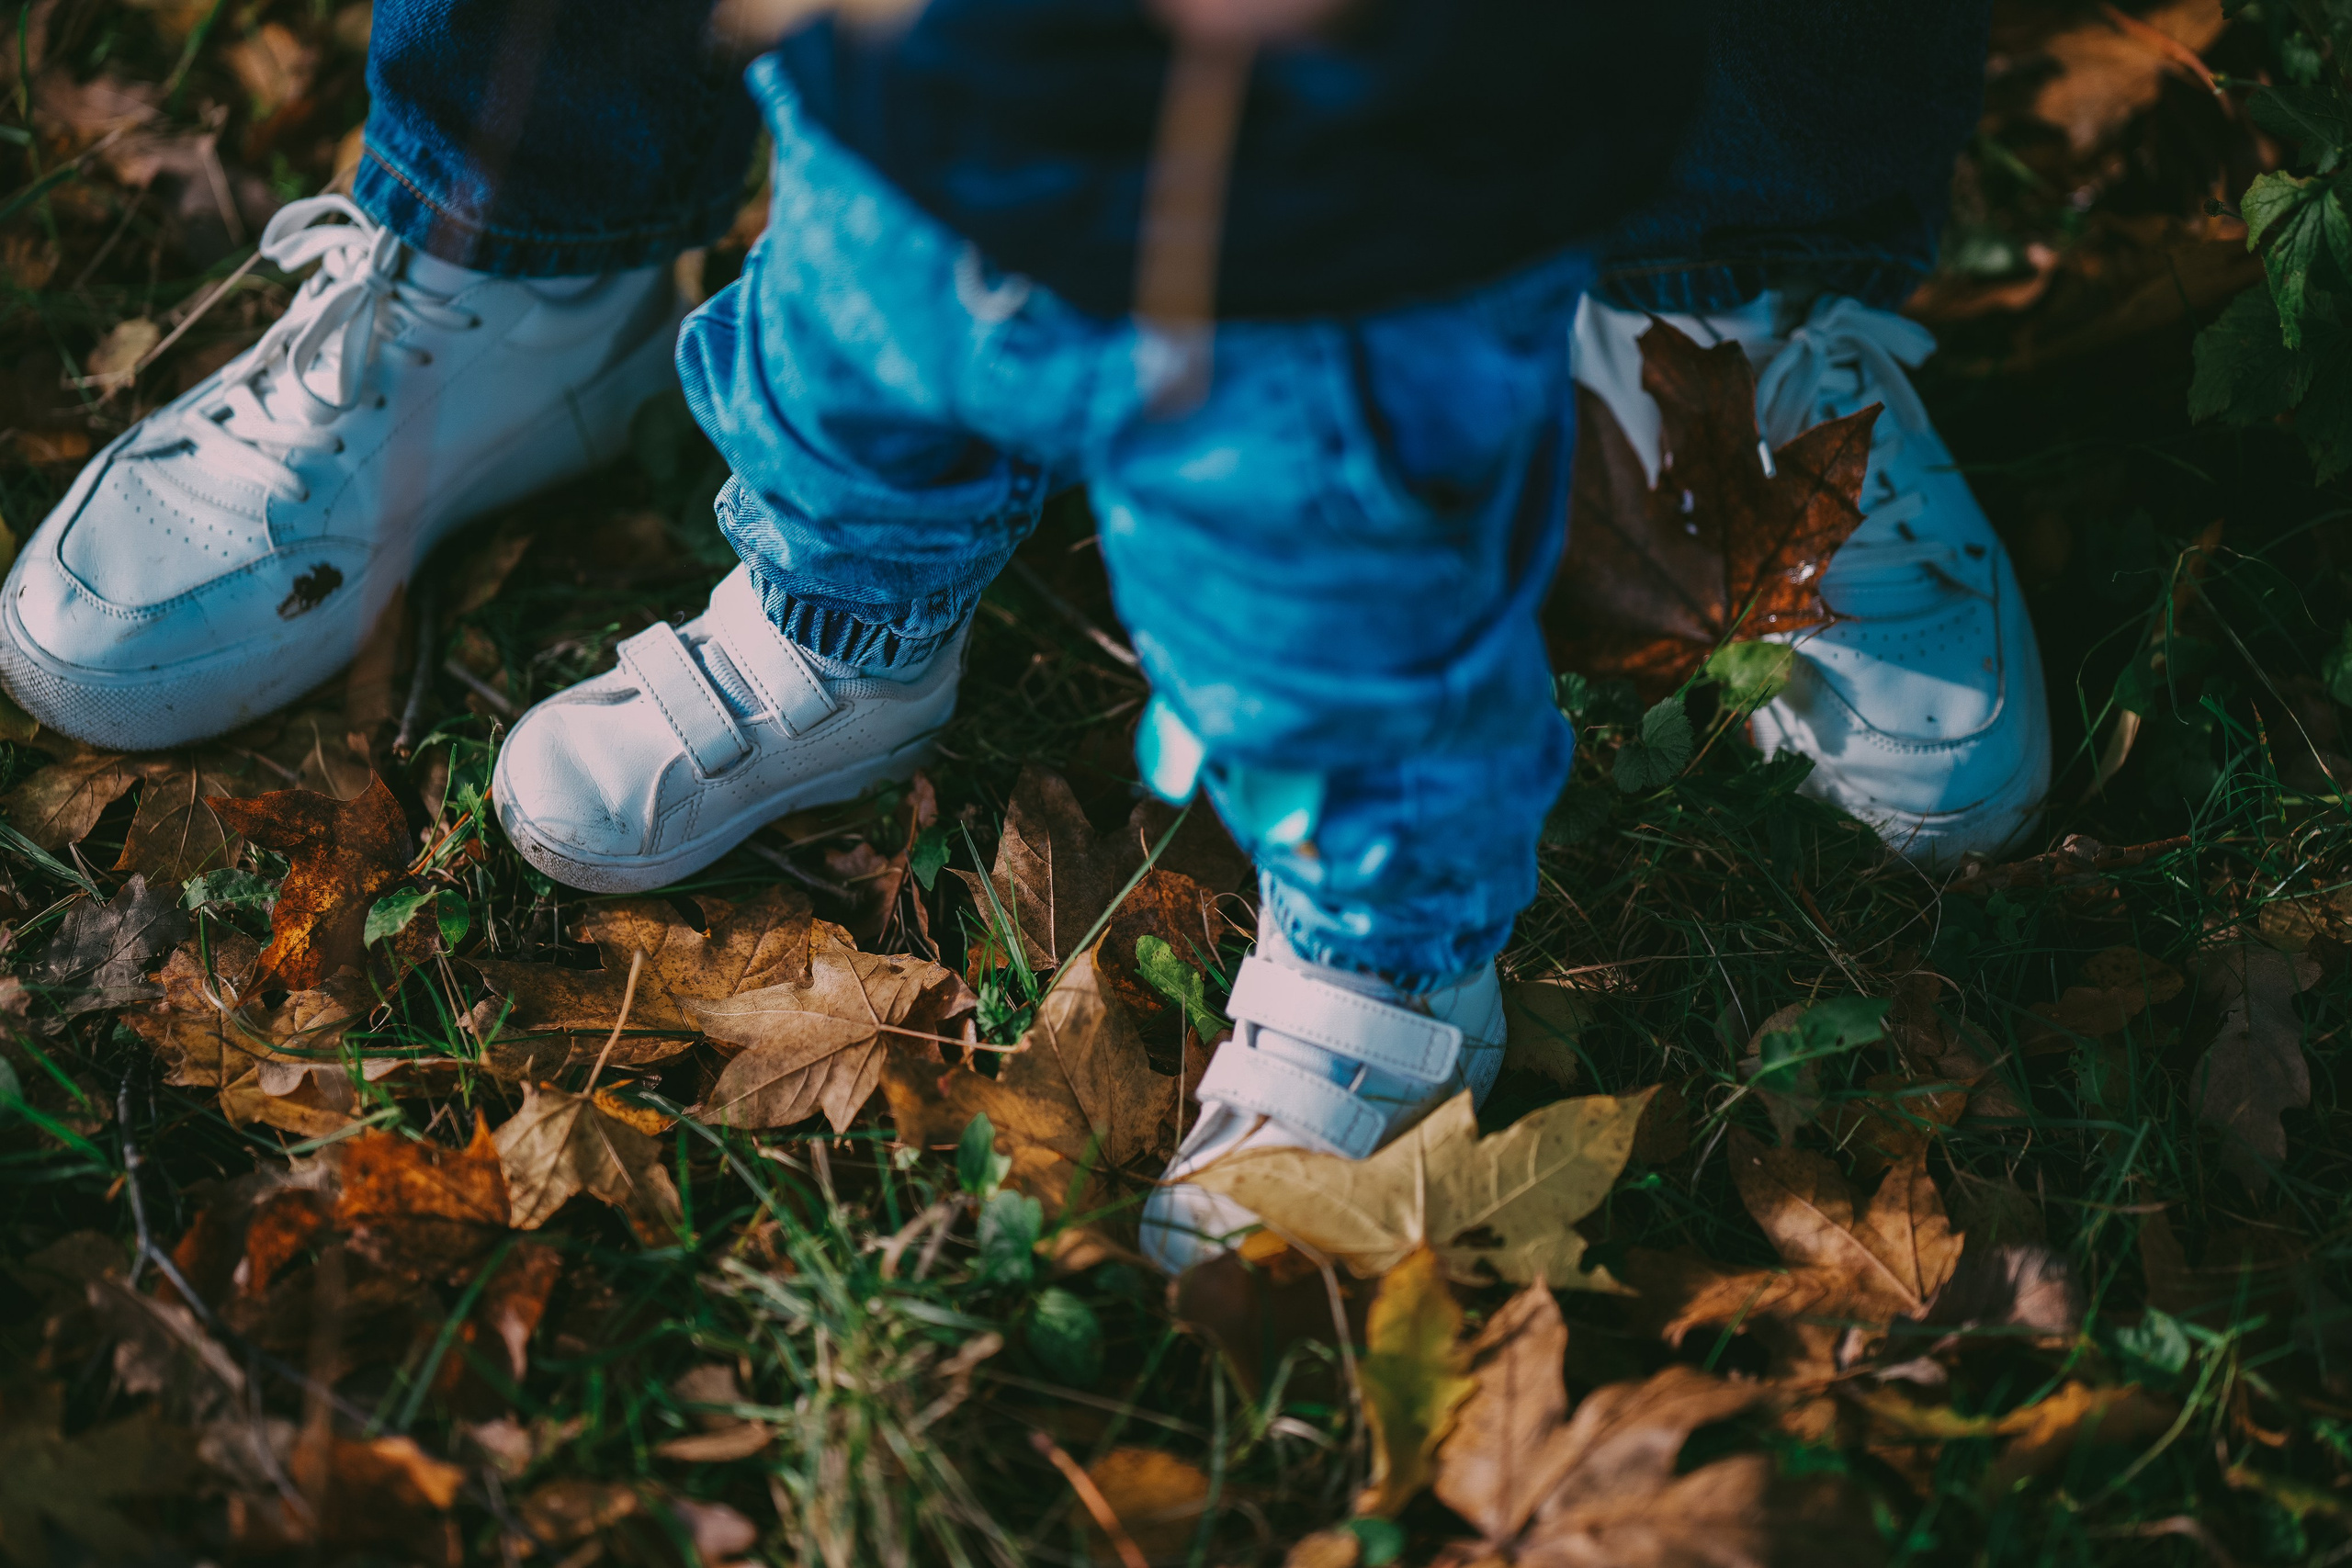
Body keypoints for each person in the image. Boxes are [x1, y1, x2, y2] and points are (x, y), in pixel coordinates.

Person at [0, 0, 2042, 1272]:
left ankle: (1382, 956)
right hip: (916, 145)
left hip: (1288, 241)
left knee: (1336, 626)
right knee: (844, 397)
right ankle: (843, 632)